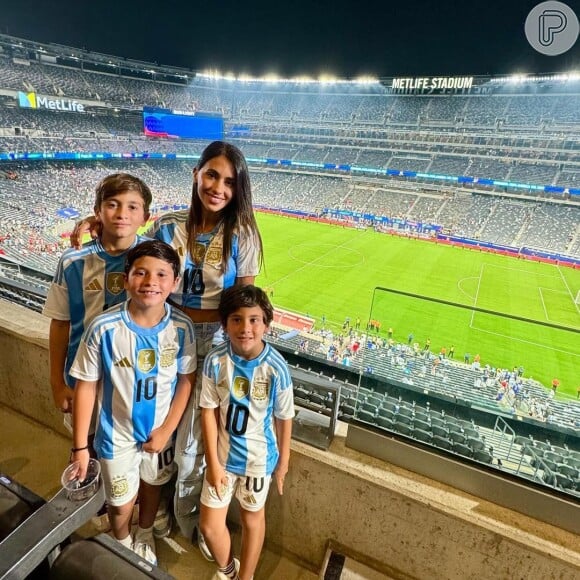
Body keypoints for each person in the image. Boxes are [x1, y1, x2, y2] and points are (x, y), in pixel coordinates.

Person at [71, 140, 264, 555]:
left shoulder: (242, 235)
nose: (218, 187)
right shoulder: (167, 226)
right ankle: (142, 510)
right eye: (211, 174)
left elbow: (243, 301)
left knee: (194, 442)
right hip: (165, 334)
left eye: (230, 181)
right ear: (196, 174)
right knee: (140, 422)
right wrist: (96, 223)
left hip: (212, 347)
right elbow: (136, 253)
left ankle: (190, 520)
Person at [70, 240, 197, 565]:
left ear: (175, 282)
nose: (150, 281)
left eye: (161, 274)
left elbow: (186, 380)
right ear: (126, 278)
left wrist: (168, 429)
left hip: (159, 434)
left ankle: (144, 532)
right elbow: (86, 386)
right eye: (140, 272)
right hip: (116, 437)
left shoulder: (182, 328)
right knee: (120, 499)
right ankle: (122, 540)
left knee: (154, 484)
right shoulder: (103, 327)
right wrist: (81, 447)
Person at [199, 285, 294, 580]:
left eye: (254, 319)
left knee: (252, 519)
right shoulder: (215, 361)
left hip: (258, 462)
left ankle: (246, 577)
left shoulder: (276, 368)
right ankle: (228, 570)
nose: (246, 328)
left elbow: (284, 417)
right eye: (237, 319)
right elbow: (208, 412)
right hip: (224, 459)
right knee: (210, 525)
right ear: (225, 323)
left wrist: (282, 464)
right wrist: (213, 463)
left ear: (266, 323)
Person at [43, 173, 151, 427]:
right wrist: (57, 384)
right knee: (84, 454)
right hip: (83, 378)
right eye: (112, 204)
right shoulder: (73, 261)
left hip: (135, 379)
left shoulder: (154, 257)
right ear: (97, 212)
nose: (122, 213)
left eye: (132, 207)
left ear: (145, 217)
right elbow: (60, 323)